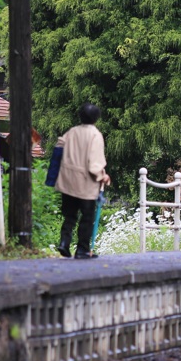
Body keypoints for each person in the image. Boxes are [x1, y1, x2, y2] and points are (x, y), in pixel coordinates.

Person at [54, 103, 111, 259]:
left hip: (67, 180)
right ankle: (82, 250)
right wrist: (103, 176)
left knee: (70, 215)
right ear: (96, 118)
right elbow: (94, 165)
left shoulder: (72, 131)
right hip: (85, 183)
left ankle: (64, 243)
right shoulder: (95, 135)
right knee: (87, 217)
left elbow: (60, 144)